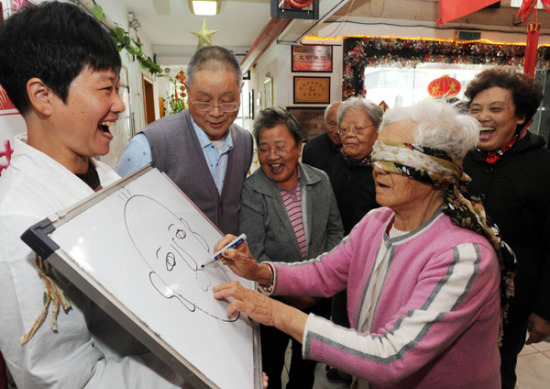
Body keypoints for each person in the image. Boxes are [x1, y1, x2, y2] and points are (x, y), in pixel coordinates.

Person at [213, 100, 508, 389]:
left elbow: (391, 357)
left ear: (434, 170)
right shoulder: (376, 222)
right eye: (377, 157)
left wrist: (275, 312)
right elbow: (323, 272)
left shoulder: (463, 256)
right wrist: (258, 271)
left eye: (393, 160)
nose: (377, 169)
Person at [0, 2, 185, 387]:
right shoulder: (17, 222)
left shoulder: (107, 177)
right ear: (43, 96)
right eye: (107, 88)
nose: (119, 105)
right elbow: (66, 380)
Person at [239, 107, 343, 389]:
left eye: (280, 147)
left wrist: (319, 284)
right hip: (274, 301)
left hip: (319, 297)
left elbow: (335, 233)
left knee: (305, 369)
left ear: (298, 148)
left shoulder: (320, 181)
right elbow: (255, 254)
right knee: (269, 369)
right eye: (264, 149)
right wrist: (293, 296)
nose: (272, 156)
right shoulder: (252, 190)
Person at [463, 66, 550, 389]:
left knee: (497, 373)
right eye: (475, 109)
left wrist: (544, 310)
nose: (483, 117)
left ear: (521, 116)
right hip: (458, 293)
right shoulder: (460, 159)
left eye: (496, 109)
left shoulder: (542, 166)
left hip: (512, 301)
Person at [115, 46, 253, 235]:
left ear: (240, 90)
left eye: (228, 100)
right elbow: (119, 214)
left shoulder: (245, 141)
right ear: (187, 92)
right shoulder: (149, 145)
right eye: (203, 101)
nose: (216, 112)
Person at [325, 97, 382, 382]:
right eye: (344, 129)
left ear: (377, 130)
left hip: (374, 260)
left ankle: (362, 370)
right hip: (340, 254)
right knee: (342, 314)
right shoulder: (338, 161)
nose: (349, 135)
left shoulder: (384, 169)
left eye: (358, 129)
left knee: (368, 319)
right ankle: (345, 364)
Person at [302, 101, 342, 173]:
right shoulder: (311, 148)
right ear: (324, 123)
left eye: (342, 124)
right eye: (332, 124)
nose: (337, 131)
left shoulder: (359, 147)